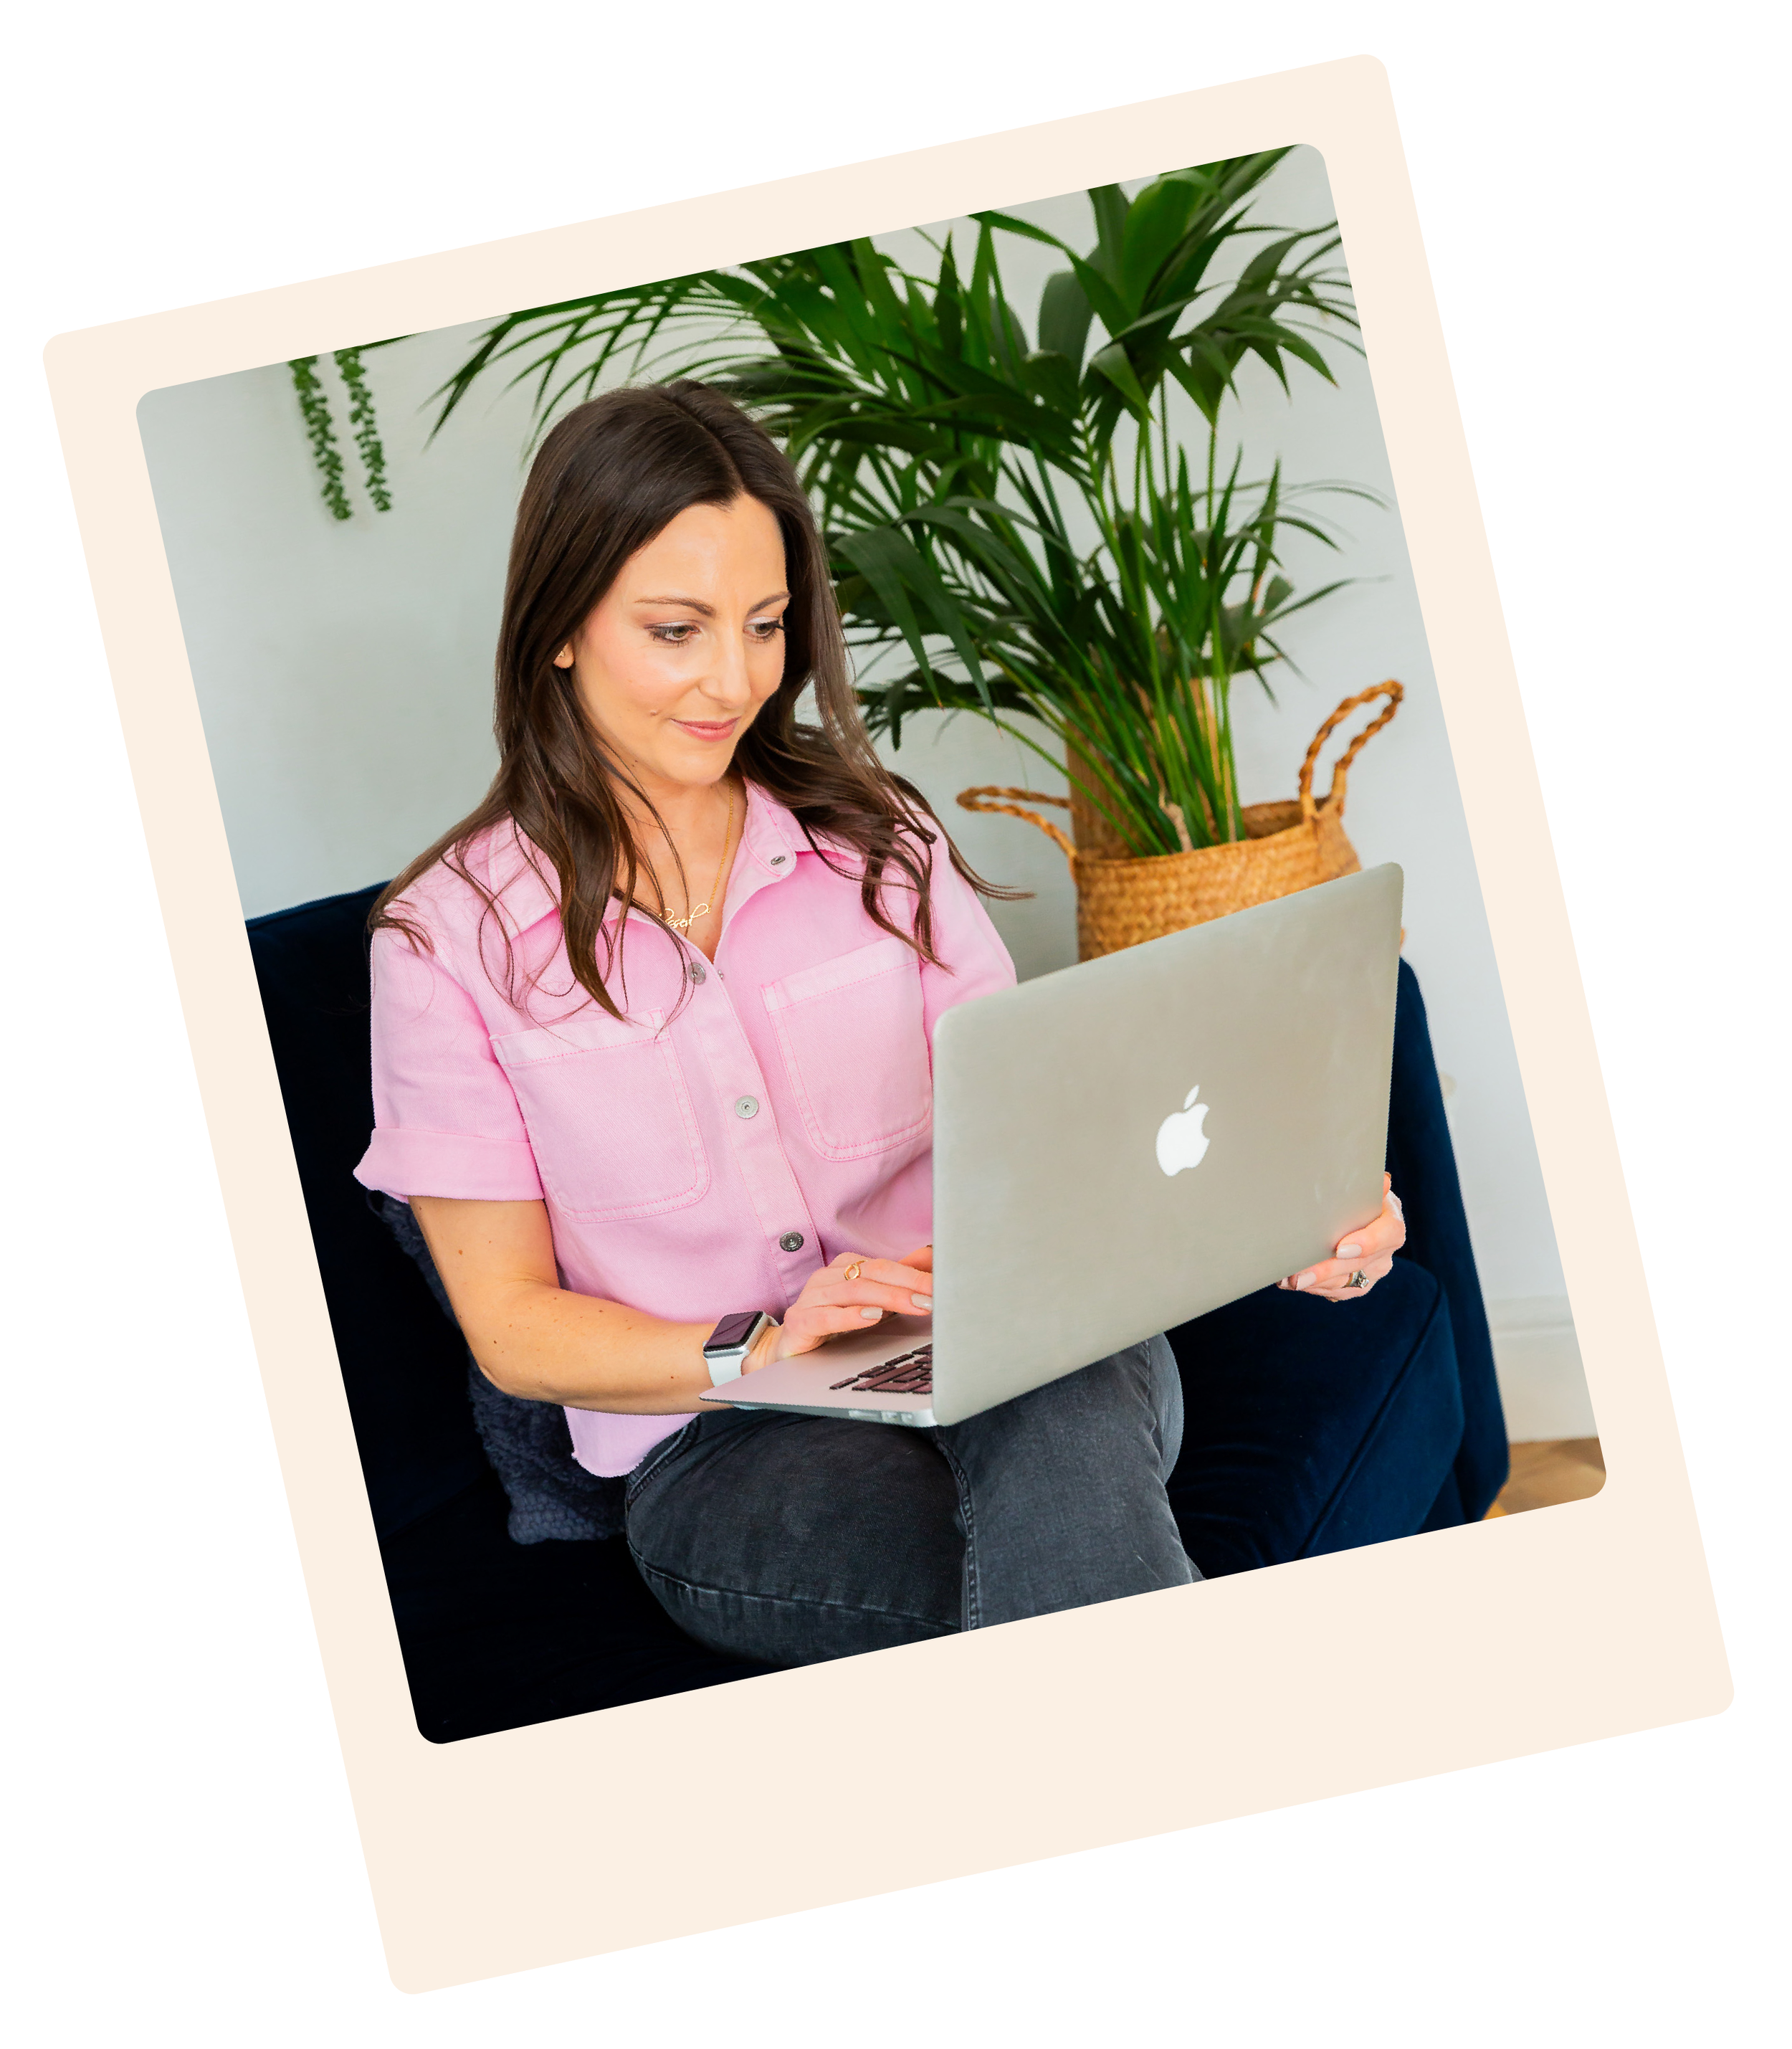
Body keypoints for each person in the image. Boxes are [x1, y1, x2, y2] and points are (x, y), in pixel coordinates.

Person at [353, 381, 1408, 1668]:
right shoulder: (445, 943)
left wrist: (1283, 1206)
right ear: (559, 626)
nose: (733, 680)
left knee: (1065, 1406)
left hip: (1017, 1344)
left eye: (764, 624)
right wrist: (764, 1348)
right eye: (675, 631)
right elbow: (513, 1328)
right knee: (1074, 1551)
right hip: (726, 1436)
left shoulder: (878, 841)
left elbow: (1054, 1134)